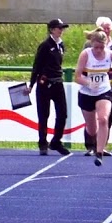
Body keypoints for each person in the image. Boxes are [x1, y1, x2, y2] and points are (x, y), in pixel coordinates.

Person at [75, 29, 112, 167]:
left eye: (101, 47)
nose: (98, 50)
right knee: (92, 130)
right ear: (91, 44)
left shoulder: (110, 54)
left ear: (106, 45)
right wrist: (89, 83)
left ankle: (99, 153)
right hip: (86, 93)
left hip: (104, 91)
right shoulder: (85, 55)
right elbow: (77, 77)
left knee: (103, 119)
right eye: (96, 47)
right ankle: (94, 142)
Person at [26, 18, 72, 156]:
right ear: (52, 29)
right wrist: (32, 84)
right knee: (44, 114)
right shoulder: (45, 46)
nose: (61, 30)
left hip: (57, 82)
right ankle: (42, 143)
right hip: (45, 83)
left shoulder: (61, 45)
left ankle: (56, 141)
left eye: (62, 28)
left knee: (62, 114)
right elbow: (37, 66)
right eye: (59, 28)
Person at [84, 16, 112, 156]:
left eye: (109, 28)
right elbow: (82, 65)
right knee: (91, 116)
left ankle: (102, 145)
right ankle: (90, 145)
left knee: (106, 116)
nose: (107, 30)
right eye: (104, 28)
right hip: (91, 84)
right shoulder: (89, 45)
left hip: (109, 83)